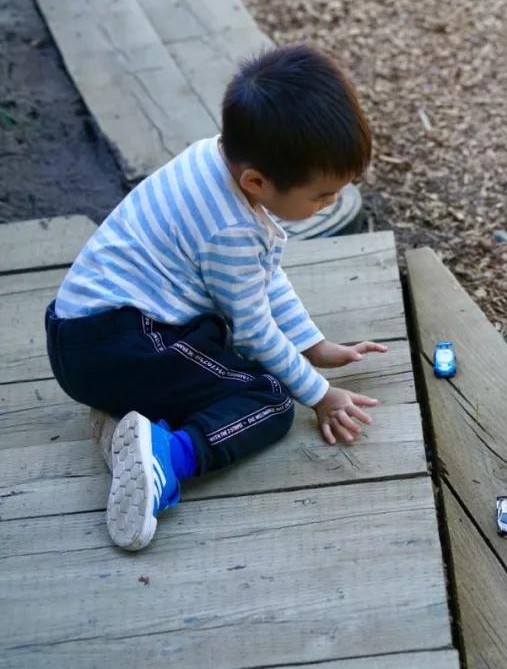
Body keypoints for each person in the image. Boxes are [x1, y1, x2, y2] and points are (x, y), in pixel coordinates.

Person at [45, 45, 386, 551]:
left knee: (234, 349)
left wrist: (313, 345)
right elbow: (255, 327)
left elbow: (263, 278)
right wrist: (318, 392)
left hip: (88, 330)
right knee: (269, 398)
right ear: (258, 181)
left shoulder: (217, 159)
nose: (329, 204)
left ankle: (123, 421)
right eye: (320, 196)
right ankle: (167, 457)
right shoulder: (230, 228)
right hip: (116, 341)